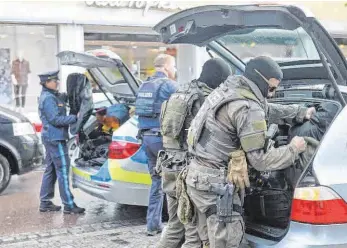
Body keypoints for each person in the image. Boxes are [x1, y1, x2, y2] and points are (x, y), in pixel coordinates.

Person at [185, 56, 315, 247]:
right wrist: (294, 149)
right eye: (271, 88)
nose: (272, 94)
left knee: (205, 242)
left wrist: (299, 112)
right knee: (229, 243)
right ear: (259, 79)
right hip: (216, 187)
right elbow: (261, 161)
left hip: (197, 179)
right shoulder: (247, 106)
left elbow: (265, 109)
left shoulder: (229, 90)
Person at [157, 58, 232, 248]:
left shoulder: (180, 92)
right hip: (187, 171)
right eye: (224, 80)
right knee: (194, 235)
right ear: (217, 78)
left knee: (174, 226)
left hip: (169, 166)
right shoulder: (205, 99)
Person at [135, 54, 178, 236]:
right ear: (167, 67)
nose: (175, 70)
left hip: (146, 139)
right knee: (175, 181)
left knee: (156, 181)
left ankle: (153, 225)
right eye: (174, 66)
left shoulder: (143, 85)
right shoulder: (169, 85)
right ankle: (178, 226)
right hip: (162, 141)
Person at [38, 70, 85, 214]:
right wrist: (75, 117)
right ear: (46, 83)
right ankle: (69, 205)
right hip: (55, 138)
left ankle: (45, 202)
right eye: (54, 80)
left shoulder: (53, 96)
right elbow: (55, 120)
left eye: (57, 80)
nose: (57, 82)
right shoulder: (48, 99)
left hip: (51, 137)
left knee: (51, 170)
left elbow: (65, 98)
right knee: (63, 170)